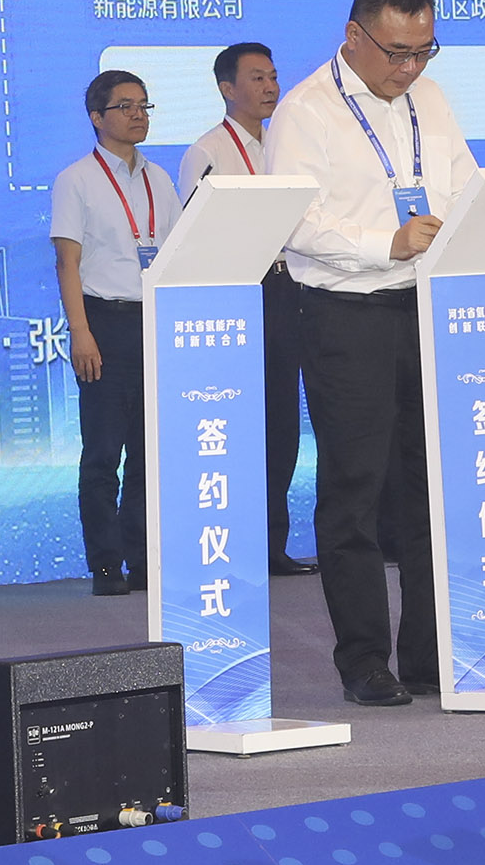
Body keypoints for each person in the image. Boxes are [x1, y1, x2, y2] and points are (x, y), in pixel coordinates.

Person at [268, 0, 478, 704]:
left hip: (427, 308)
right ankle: (362, 659)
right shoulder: (305, 111)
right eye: (396, 52)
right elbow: (295, 220)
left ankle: (426, 650)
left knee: (428, 485)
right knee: (354, 489)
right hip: (344, 313)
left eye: (424, 51)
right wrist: (383, 243)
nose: (410, 67)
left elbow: (464, 184)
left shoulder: (432, 99)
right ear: (354, 35)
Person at [176, 41, 313, 576]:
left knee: (282, 420)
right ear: (226, 88)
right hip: (237, 291)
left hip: (290, 286)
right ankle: (233, 543)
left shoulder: (288, 145)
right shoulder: (207, 152)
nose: (271, 87)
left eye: (274, 76)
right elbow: (198, 236)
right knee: (238, 422)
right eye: (257, 78)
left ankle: (273, 544)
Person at [51, 69, 182, 597]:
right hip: (103, 321)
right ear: (96, 117)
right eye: (125, 106)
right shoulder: (76, 179)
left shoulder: (160, 179)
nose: (137, 115)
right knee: (104, 452)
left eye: (144, 105)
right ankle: (106, 563)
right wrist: (80, 332)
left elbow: (175, 254)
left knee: (150, 452)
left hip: (152, 320)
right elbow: (67, 262)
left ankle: (144, 559)